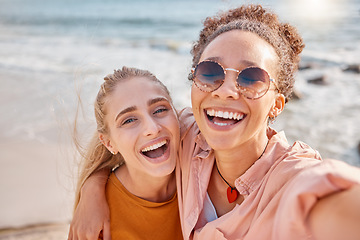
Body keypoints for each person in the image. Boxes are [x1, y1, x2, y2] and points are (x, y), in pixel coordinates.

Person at [69, 4, 360, 240]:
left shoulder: (291, 176)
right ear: (194, 84)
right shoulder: (185, 137)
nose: (225, 90)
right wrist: (93, 187)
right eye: (210, 73)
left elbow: (324, 194)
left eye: (251, 78)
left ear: (277, 104)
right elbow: (124, 137)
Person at [69, 66, 183, 240]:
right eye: (129, 120)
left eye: (160, 110)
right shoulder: (100, 221)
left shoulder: (200, 163)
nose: (152, 128)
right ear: (108, 143)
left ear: (176, 114)